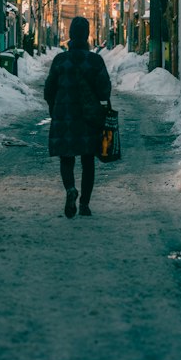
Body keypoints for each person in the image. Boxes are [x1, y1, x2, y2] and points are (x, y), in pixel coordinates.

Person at [43, 16, 111, 218]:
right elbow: (104, 91)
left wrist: (54, 108)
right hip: (89, 118)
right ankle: (85, 204)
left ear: (70, 35)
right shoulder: (95, 61)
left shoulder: (60, 60)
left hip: (64, 116)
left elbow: (48, 89)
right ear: (87, 34)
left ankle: (70, 189)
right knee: (88, 160)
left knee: (67, 157)